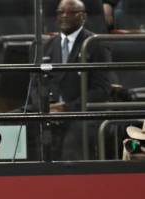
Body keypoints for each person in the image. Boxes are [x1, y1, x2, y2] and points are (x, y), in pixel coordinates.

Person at [32, 0, 111, 160]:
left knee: (74, 138)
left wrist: (68, 107)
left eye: (71, 12)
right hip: (48, 110)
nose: (65, 16)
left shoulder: (95, 44)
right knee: (14, 121)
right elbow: (34, 86)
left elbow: (101, 90)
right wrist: (45, 106)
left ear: (83, 17)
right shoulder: (45, 46)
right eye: (61, 12)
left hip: (79, 112)